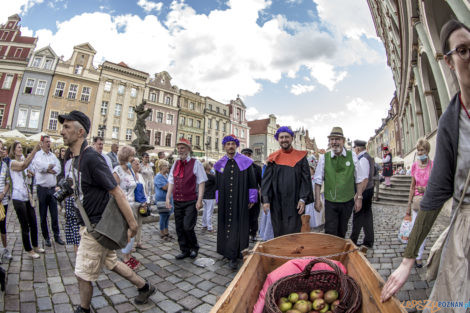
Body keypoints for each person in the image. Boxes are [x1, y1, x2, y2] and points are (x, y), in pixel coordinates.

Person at [381, 20, 470, 312]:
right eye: (463, 51)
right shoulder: (450, 122)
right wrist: (407, 260)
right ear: (449, 62)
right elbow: (437, 191)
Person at [58, 111, 155, 313]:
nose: (62, 131)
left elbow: (116, 191)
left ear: (80, 132)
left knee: (83, 273)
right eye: (63, 126)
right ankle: (144, 287)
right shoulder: (76, 158)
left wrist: (133, 224)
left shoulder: (92, 158)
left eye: (67, 127)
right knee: (112, 262)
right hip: (92, 225)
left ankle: (83, 309)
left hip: (96, 227)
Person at [313, 127, 368, 238]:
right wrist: (317, 200)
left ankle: (339, 254)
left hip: (347, 201)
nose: (334, 142)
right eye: (332, 139)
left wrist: (359, 199)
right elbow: (318, 181)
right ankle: (331, 253)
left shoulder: (352, 156)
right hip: (330, 201)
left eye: (337, 139)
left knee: (342, 230)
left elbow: (359, 179)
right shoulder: (324, 157)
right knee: (330, 231)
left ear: (343, 141)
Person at [214, 136, 257, 269]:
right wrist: (218, 198)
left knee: (239, 225)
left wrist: (252, 198)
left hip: (241, 198)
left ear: (236, 146)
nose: (230, 146)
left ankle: (236, 254)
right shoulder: (220, 163)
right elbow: (217, 183)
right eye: (228, 144)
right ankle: (225, 250)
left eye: (233, 144)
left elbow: (252, 181)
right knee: (226, 223)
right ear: (224, 146)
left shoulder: (246, 161)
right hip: (225, 199)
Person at [262, 126, 314, 237]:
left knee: (295, 231)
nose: (284, 139)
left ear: (292, 138)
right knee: (279, 231)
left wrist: (303, 199)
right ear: (278, 139)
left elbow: (306, 180)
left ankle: (294, 253)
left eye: (287, 137)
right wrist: (266, 200)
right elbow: (266, 181)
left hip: (295, 202)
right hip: (277, 202)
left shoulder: (301, 157)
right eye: (281, 137)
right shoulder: (272, 158)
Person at [165, 138, 207, 260]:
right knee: (179, 227)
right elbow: (171, 181)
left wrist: (199, 200)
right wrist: (168, 197)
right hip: (177, 201)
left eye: (182, 148)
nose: (180, 150)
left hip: (190, 200)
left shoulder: (196, 163)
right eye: (178, 148)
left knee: (188, 226)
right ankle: (184, 249)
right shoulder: (176, 163)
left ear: (188, 150)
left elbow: (201, 182)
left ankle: (194, 247)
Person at [9, 141, 44, 258]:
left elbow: (25, 168)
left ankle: (35, 245)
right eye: (18, 147)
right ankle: (29, 250)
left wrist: (28, 174)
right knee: (25, 225)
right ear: (14, 150)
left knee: (33, 222)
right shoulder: (12, 162)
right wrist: (34, 151)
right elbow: (22, 166)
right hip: (18, 197)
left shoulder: (22, 159)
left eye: (20, 147)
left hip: (26, 196)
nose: (20, 149)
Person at [31, 135, 64, 247]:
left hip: (52, 189)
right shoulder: (38, 155)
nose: (49, 144)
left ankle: (56, 235)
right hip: (42, 189)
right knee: (43, 214)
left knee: (54, 214)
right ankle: (46, 237)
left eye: (49, 142)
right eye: (46, 142)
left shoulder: (53, 156)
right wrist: (48, 167)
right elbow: (39, 167)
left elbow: (58, 168)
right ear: (42, 143)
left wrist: (49, 169)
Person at [406, 138, 433, 268]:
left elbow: (436, 186)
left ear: (427, 151)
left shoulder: (432, 166)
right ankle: (412, 253)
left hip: (427, 202)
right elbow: (412, 186)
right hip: (416, 203)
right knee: (413, 229)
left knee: (422, 230)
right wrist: (408, 204)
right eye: (418, 150)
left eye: (422, 150)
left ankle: (419, 256)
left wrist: (426, 189)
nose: (419, 152)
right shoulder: (414, 166)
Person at [113, 146, 141, 269]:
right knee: (128, 232)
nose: (133, 158)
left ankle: (129, 255)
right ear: (125, 156)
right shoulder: (117, 170)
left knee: (133, 231)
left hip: (132, 204)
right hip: (123, 205)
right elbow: (114, 189)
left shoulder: (130, 169)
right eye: (131, 155)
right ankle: (125, 257)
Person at [350, 140, 375, 248]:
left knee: (358, 215)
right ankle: (368, 240)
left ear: (358, 148)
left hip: (364, 190)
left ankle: (353, 240)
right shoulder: (367, 157)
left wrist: (357, 196)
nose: (354, 150)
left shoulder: (363, 159)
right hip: (368, 189)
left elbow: (364, 179)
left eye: (354, 148)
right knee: (367, 216)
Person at [241, 148, 262, 242]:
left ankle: (253, 233)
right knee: (243, 216)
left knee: (254, 217)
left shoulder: (257, 168)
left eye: (248, 154)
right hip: (241, 196)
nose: (246, 156)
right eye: (244, 154)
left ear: (251, 156)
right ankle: (244, 233)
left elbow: (261, 183)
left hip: (253, 196)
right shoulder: (238, 167)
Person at [63, 149, 81, 253]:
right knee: (74, 226)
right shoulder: (70, 163)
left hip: (77, 196)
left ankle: (78, 251)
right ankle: (77, 252)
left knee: (78, 228)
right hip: (71, 196)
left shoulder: (81, 162)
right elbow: (67, 179)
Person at [131, 157, 149, 250]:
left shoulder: (140, 176)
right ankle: (132, 243)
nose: (138, 165)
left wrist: (146, 201)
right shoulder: (129, 176)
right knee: (132, 224)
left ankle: (139, 241)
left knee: (140, 223)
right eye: (136, 164)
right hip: (133, 203)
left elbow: (144, 189)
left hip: (141, 203)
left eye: (138, 164)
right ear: (131, 165)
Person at [154, 160, 173, 240]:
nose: (167, 167)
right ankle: (162, 232)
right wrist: (172, 181)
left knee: (167, 215)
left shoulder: (167, 175)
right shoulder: (158, 176)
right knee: (163, 216)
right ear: (161, 167)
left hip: (168, 198)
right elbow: (165, 187)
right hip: (162, 199)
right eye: (166, 166)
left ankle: (166, 231)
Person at [304, 155, 323, 230]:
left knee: (315, 218)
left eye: (309, 169)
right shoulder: (306, 179)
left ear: (313, 169)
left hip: (315, 200)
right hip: (308, 202)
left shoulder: (315, 179)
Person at [0, 141, 11, 261]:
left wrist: (3, 193)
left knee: (2, 225)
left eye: (2, 148)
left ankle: (5, 249)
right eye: (0, 148)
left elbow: (8, 182)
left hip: (2, 201)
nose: (2, 150)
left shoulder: (4, 165)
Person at [202, 162, 216, 232]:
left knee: (205, 211)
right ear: (207, 167)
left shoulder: (202, 175)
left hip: (204, 195)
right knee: (209, 212)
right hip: (210, 196)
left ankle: (204, 225)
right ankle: (210, 227)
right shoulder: (211, 176)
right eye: (209, 165)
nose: (211, 166)